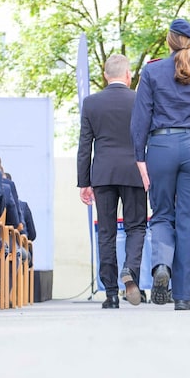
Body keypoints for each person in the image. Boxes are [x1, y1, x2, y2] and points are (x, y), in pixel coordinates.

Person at [130, 18, 190, 311]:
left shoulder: (152, 71)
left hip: (160, 146)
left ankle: (161, 265)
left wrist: (140, 158)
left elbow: (140, 120)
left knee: (161, 215)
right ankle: (183, 297)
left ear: (169, 42)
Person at [77, 54, 148, 309]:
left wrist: (83, 181)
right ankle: (131, 271)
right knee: (137, 227)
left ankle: (110, 293)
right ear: (128, 75)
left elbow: (85, 145)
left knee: (106, 232)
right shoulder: (140, 99)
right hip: (135, 172)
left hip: (103, 174)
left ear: (106, 75)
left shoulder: (91, 103)